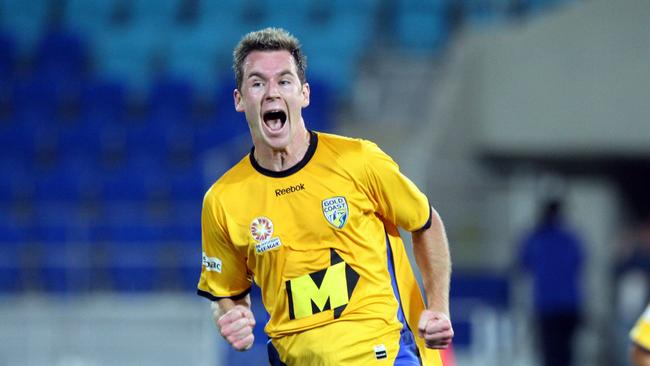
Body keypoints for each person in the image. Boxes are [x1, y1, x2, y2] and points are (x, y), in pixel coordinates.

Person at [196, 27, 453, 365]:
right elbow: (226, 293)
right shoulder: (223, 199)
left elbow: (426, 223)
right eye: (258, 83)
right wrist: (231, 317)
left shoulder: (359, 160)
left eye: (284, 81)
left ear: (304, 94)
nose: (272, 93)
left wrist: (438, 308)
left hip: (387, 354)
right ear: (240, 99)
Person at [518, 198, 585, 366]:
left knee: (549, 352)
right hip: (570, 304)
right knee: (567, 351)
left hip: (546, 305)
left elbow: (523, 264)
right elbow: (580, 262)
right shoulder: (571, 239)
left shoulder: (535, 239)